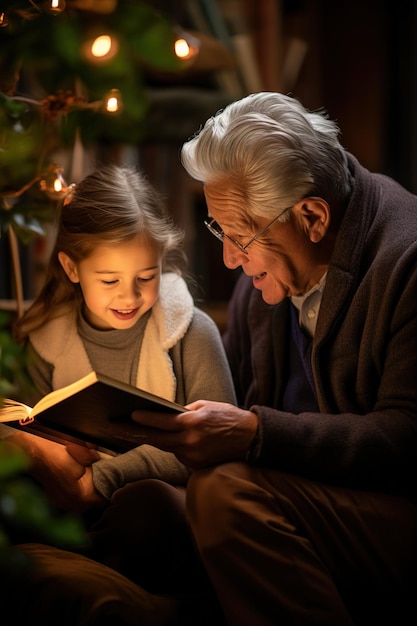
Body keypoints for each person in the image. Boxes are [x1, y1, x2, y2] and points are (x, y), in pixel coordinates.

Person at [125, 91, 417, 625]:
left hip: (392, 509)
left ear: (311, 216)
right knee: (142, 507)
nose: (230, 258)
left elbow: (406, 437)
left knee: (221, 495)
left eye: (240, 236)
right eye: (220, 231)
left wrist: (257, 433)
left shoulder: (408, 260)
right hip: (294, 500)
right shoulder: (265, 283)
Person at [1, 163, 236, 620]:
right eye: (109, 281)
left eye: (145, 278)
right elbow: (23, 422)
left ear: (162, 262)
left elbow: (217, 446)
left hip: (154, 513)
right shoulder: (43, 340)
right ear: (71, 267)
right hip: (65, 504)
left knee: (150, 508)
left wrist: (104, 481)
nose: (129, 297)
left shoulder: (191, 332)